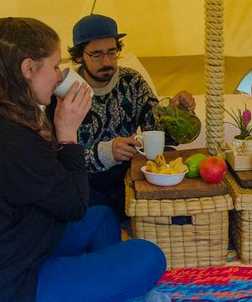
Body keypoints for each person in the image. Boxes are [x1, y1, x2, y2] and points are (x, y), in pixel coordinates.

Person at [0, 17, 170, 302]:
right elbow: (73, 204)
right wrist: (67, 133)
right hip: (12, 293)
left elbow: (52, 187)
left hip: (26, 243)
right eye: (54, 67)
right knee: (149, 256)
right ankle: (114, 291)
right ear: (28, 68)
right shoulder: (7, 138)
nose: (59, 76)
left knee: (102, 218)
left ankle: (111, 292)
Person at [53, 13, 195, 217]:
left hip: (127, 173)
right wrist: (106, 152)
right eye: (97, 54)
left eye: (112, 52)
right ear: (78, 56)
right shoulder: (64, 91)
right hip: (87, 180)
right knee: (90, 207)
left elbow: (156, 133)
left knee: (169, 155)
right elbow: (56, 157)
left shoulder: (131, 82)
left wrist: (175, 113)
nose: (107, 61)